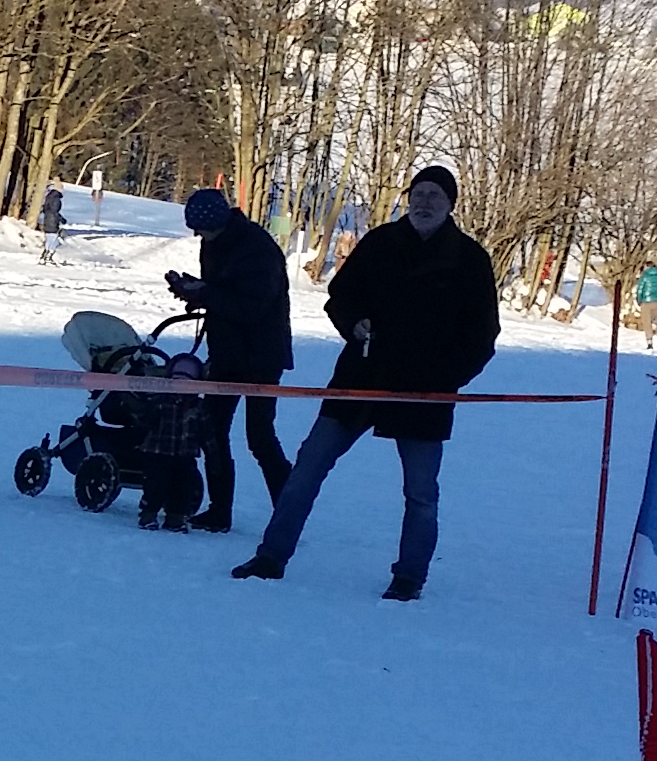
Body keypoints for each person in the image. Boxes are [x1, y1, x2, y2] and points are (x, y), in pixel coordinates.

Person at [234, 162, 498, 596]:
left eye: (436, 195)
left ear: (450, 205)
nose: (425, 202)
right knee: (307, 468)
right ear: (408, 199)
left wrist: (447, 380)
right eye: (419, 193)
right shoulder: (380, 243)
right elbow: (341, 296)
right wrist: (353, 322)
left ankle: (409, 577)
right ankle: (271, 556)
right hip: (361, 377)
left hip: (424, 393)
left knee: (421, 493)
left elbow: (483, 335)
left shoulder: (469, 260)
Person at [165, 186, 292, 534]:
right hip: (227, 352)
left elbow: (251, 308)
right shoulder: (215, 242)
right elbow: (222, 292)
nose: (197, 236)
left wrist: (205, 294)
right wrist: (194, 290)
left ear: (216, 222)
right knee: (213, 432)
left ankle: (288, 512)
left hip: (262, 357)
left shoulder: (257, 249)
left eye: (200, 229)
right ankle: (220, 511)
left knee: (260, 437)